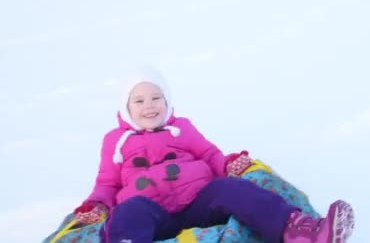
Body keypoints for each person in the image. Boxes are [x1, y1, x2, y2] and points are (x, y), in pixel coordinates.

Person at [74, 66, 355, 243]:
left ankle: (302, 232)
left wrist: (229, 164)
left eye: (156, 98)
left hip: (198, 203)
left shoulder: (182, 128)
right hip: (151, 214)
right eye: (139, 101)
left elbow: (209, 154)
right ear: (126, 108)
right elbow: (107, 184)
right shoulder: (115, 142)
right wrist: (97, 205)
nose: (149, 106)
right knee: (128, 212)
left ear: (167, 101)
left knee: (230, 188)